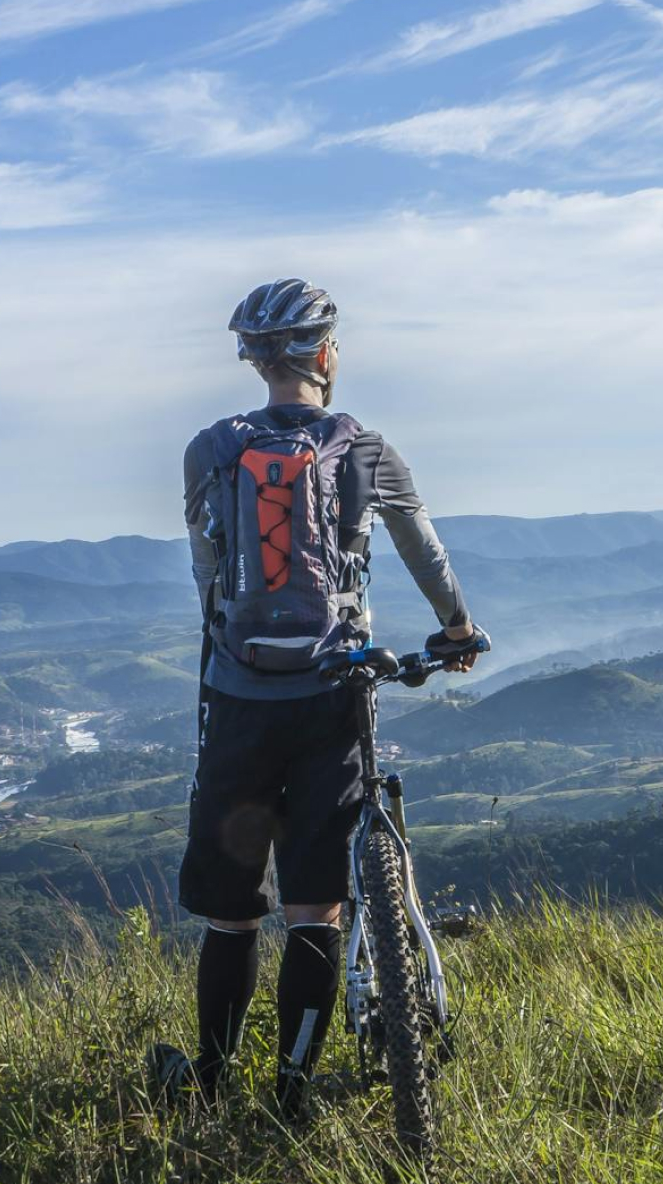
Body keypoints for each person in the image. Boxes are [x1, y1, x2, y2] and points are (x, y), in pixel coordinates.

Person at [153, 278, 484, 1119]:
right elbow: (424, 552)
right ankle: (292, 1092)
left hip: (237, 696)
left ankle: (210, 1083)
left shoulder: (208, 451)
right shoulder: (364, 449)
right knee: (316, 908)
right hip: (333, 695)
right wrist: (455, 629)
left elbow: (205, 575)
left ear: (254, 360)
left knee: (231, 918)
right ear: (326, 355)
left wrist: (233, 649)